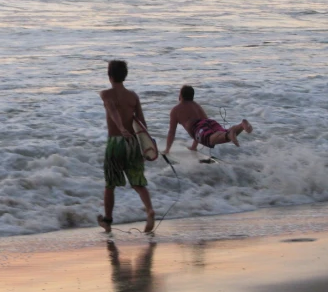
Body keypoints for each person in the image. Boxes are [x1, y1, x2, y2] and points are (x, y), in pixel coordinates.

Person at [98, 60, 155, 234]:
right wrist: (148, 144)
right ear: (125, 76)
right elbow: (142, 122)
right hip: (133, 143)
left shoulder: (106, 94)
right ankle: (149, 210)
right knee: (138, 181)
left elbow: (112, 109)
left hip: (116, 142)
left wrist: (121, 128)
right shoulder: (133, 96)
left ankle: (107, 220)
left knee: (110, 184)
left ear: (110, 76)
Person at [163, 85, 253, 154]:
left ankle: (229, 133)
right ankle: (241, 126)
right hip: (210, 123)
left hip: (198, 126)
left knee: (210, 139)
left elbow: (172, 132)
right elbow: (203, 125)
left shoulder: (176, 110)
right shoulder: (196, 105)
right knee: (225, 134)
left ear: (181, 96)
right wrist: (193, 147)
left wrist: (167, 149)